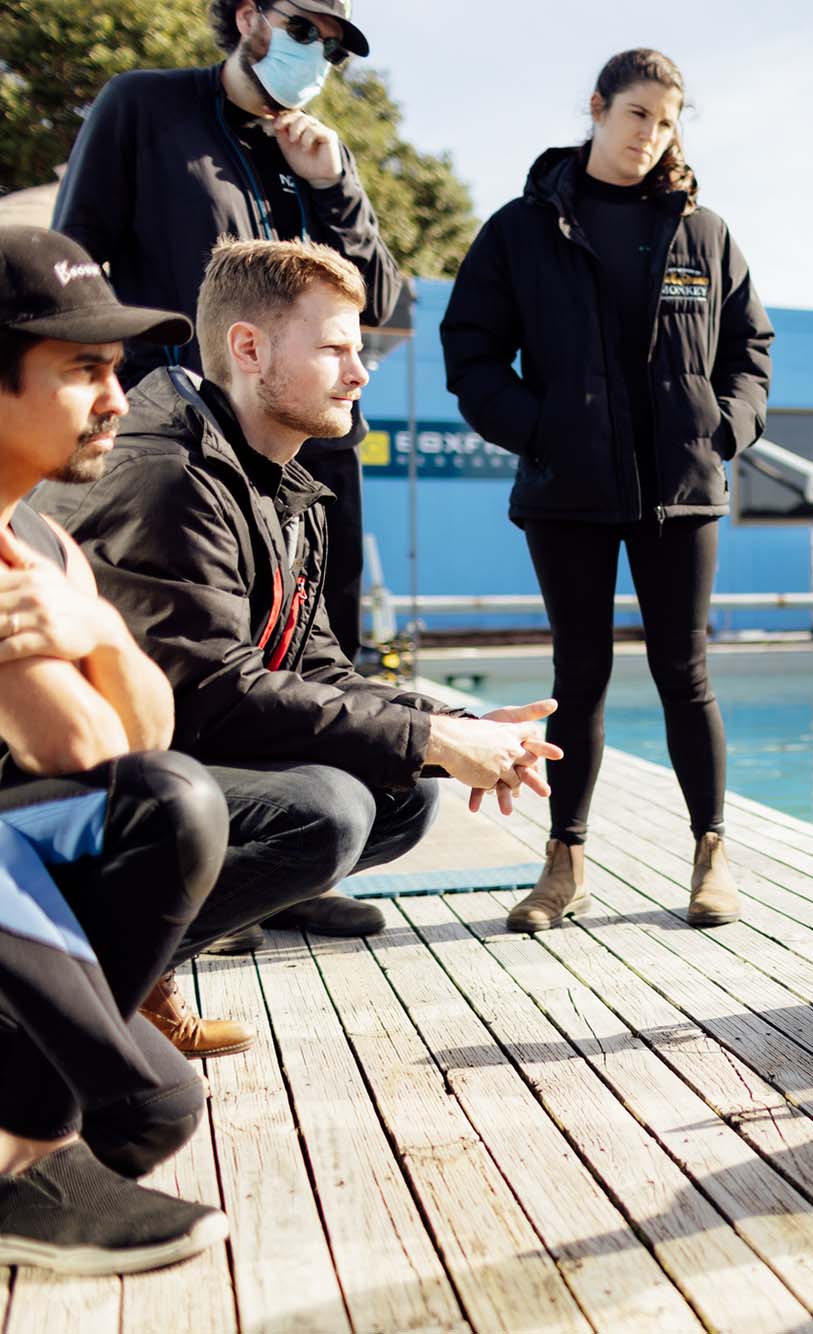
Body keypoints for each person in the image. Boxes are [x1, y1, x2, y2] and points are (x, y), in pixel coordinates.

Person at [32, 238, 563, 1051]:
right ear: (249, 349)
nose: (359, 374)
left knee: (406, 792)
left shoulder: (283, 486)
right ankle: (64, 976)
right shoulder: (168, 477)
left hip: (161, 757)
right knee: (329, 812)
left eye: (360, 352)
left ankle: (133, 971)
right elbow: (208, 690)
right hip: (59, 782)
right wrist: (429, 736)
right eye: (336, 349)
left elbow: (312, 669)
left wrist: (453, 723)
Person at [441, 49, 773, 933]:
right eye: (637, 116)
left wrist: (724, 430)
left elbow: (751, 350)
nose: (650, 137)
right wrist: (539, 429)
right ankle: (566, 862)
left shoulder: (704, 232)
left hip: (682, 490)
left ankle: (711, 853)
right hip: (568, 489)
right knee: (578, 675)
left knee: (685, 673)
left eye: (666, 122)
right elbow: (470, 352)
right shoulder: (523, 228)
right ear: (596, 107)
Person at [0, 224, 231, 1272]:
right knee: (162, 806)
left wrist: (91, 629)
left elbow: (150, 726)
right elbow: (80, 743)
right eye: (84, 369)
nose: (116, 399)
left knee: (165, 1102)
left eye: (120, 370)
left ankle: (35, 1134)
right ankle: (27, 1160)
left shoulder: (43, 540)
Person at [53, 1, 396, 705]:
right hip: (185, 445)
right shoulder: (144, 106)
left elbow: (379, 300)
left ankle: (316, 807)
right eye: (304, 30)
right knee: (194, 667)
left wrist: (338, 187)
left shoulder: (321, 153)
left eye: (330, 48)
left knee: (326, 667)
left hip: (311, 448)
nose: (315, 56)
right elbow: (75, 268)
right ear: (249, 16)